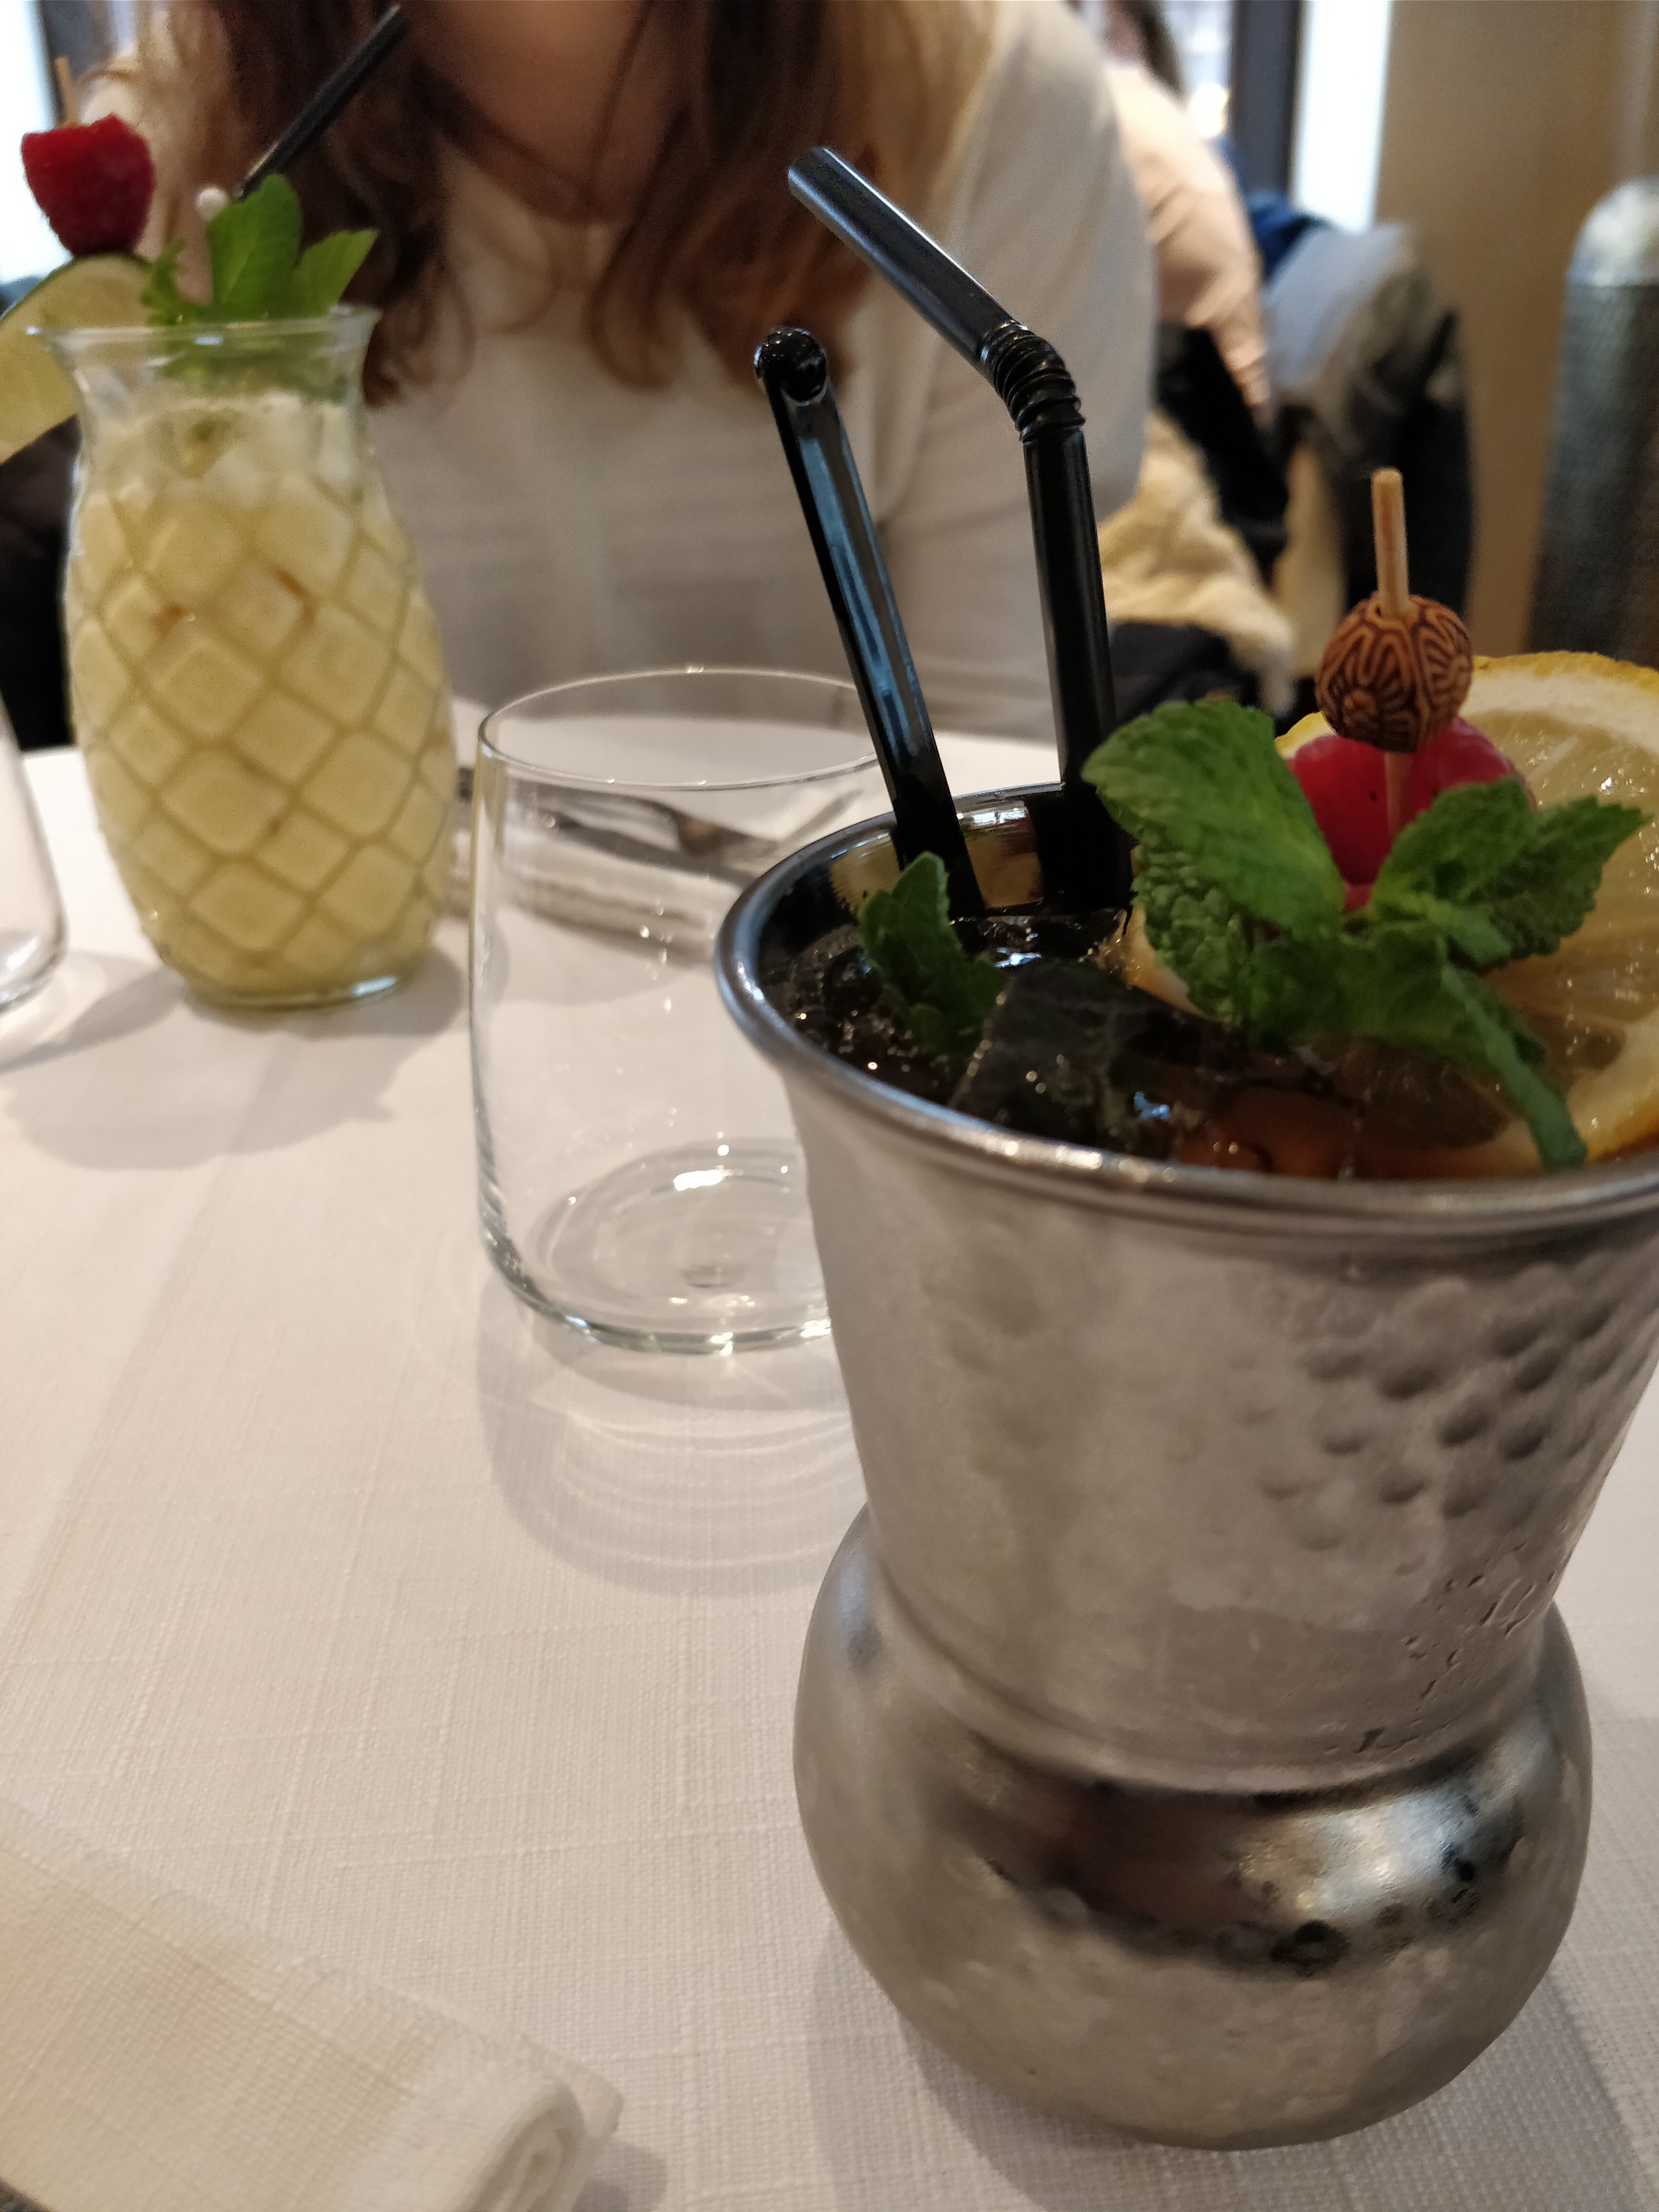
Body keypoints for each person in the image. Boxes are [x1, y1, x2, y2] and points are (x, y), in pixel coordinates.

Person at [95, 0, 1154, 743]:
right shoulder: (183, 146)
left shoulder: (992, 93)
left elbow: (987, 753)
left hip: (828, 947)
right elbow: (224, 745)